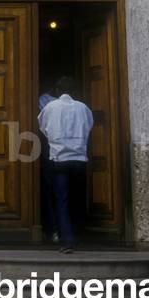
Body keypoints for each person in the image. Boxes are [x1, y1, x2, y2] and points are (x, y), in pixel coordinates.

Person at [38, 77, 93, 253]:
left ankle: (67, 240)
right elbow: (89, 126)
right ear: (74, 91)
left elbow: (43, 128)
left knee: (61, 200)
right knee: (77, 198)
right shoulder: (83, 108)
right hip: (79, 158)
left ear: (57, 90)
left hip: (60, 159)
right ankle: (79, 234)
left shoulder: (49, 107)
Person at [38, 86, 58, 242]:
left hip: (53, 153)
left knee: (55, 191)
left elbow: (43, 127)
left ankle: (56, 231)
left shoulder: (47, 104)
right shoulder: (44, 101)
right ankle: (55, 230)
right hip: (52, 152)